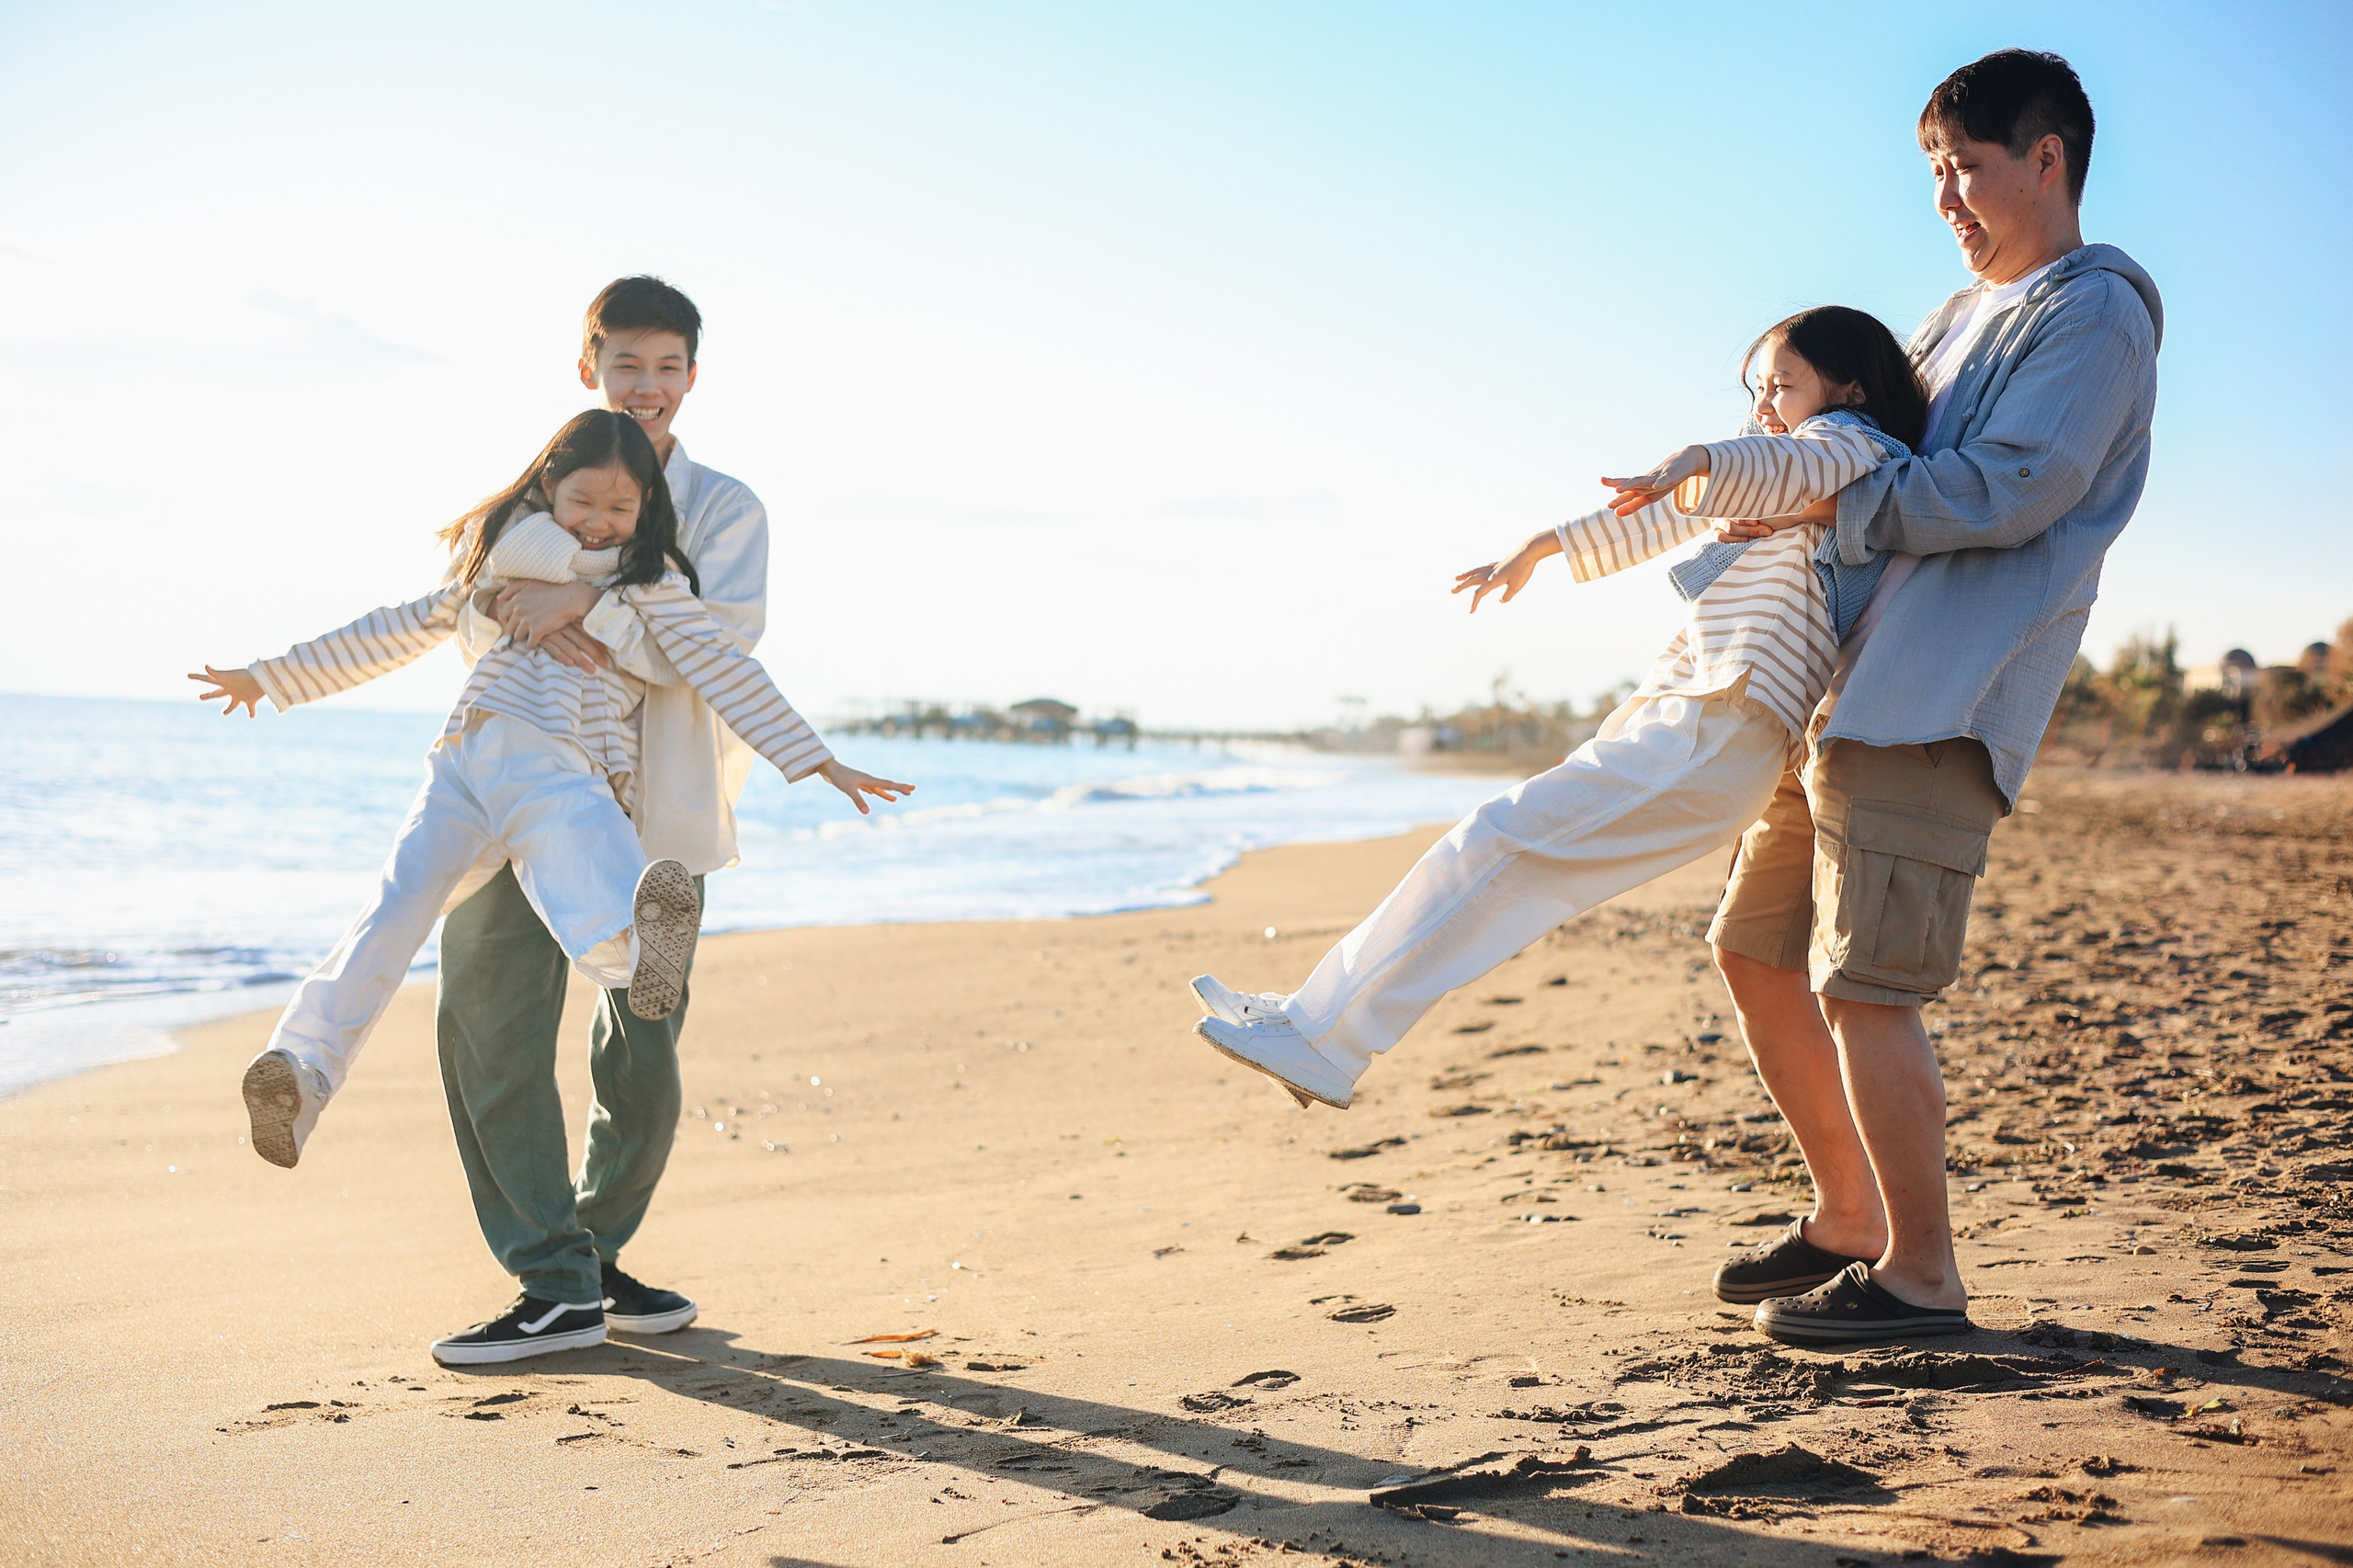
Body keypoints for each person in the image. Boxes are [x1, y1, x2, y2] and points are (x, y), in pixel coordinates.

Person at [1699, 50, 2160, 1346]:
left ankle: (1921, 1277)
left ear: (2046, 157)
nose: (1948, 195)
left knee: (1867, 986)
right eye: (1934, 172)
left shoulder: (2095, 312)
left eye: (1964, 164)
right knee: (1753, 947)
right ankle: (1848, 1213)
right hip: (1839, 697)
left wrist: (1829, 497)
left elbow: (2014, 484)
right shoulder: (1955, 317)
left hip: (1933, 702)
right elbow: (1863, 448)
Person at [1189, 306, 1926, 1109]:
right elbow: (1664, 509)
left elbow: (1784, 467)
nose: (1762, 405)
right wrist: (1543, 546)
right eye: (1757, 390)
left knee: (1497, 844)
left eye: (1782, 386)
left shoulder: (1860, 449)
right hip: (1689, 716)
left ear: (1850, 385)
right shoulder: (1784, 475)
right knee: (1496, 850)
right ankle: (1315, 1020)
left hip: (1725, 726)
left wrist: (1706, 455)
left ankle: (1324, 1038)